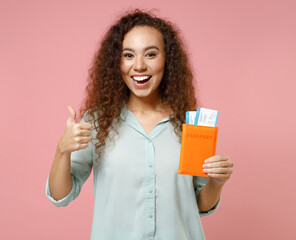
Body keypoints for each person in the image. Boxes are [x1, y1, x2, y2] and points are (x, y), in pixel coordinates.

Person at [46, 9, 234, 240]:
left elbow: (199, 205)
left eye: (151, 54)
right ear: (117, 62)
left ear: (168, 60)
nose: (139, 66)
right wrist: (62, 150)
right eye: (128, 55)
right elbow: (60, 195)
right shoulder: (97, 121)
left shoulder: (190, 124)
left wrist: (217, 182)